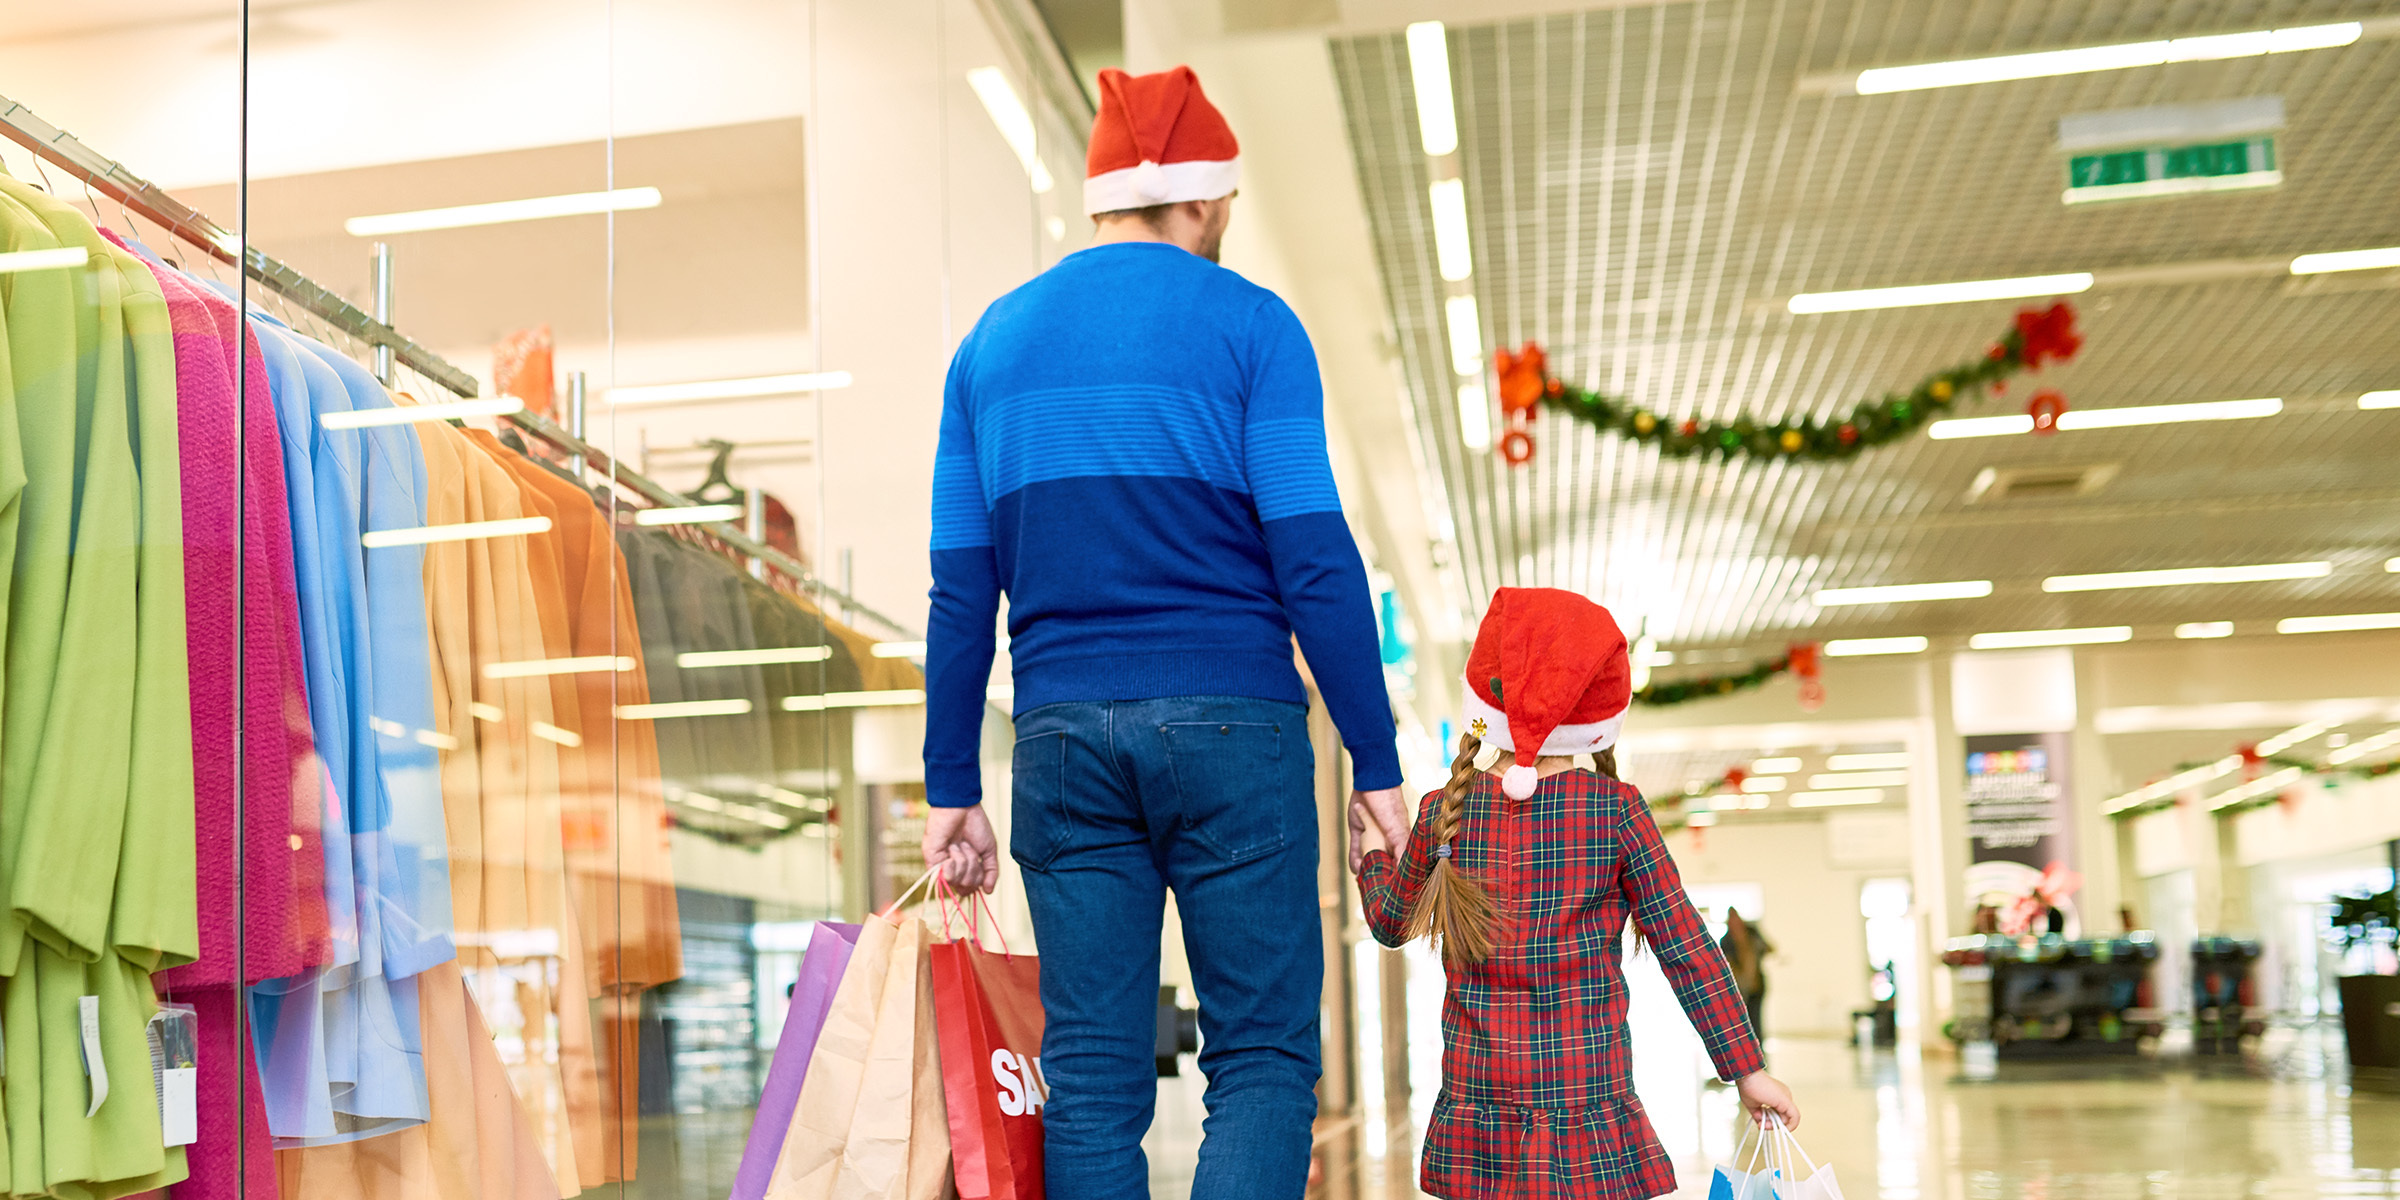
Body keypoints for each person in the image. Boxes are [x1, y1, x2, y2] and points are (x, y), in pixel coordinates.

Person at [916, 65, 1412, 1199]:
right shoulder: (1252, 326)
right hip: (1236, 723)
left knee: (1089, 1075)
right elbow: (1315, 559)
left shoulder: (990, 347)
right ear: (1202, 199)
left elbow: (958, 588)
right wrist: (1376, 764)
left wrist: (954, 783)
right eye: (1225, 204)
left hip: (1059, 739)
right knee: (1264, 1057)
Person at [1357, 588, 1798, 1200]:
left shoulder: (1444, 813)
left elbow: (1389, 922)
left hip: (1479, 1114)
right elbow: (1684, 946)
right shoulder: (1615, 812)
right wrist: (1746, 1069)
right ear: (1597, 716)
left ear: (1483, 697)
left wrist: (1373, 857)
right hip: (1587, 1108)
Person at [1720, 909, 1773, 1042]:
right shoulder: (1726, 941)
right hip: (1740, 988)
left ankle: (1759, 1049)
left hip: (1757, 986)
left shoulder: (1752, 934)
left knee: (1756, 1020)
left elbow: (1769, 948)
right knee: (1745, 1022)